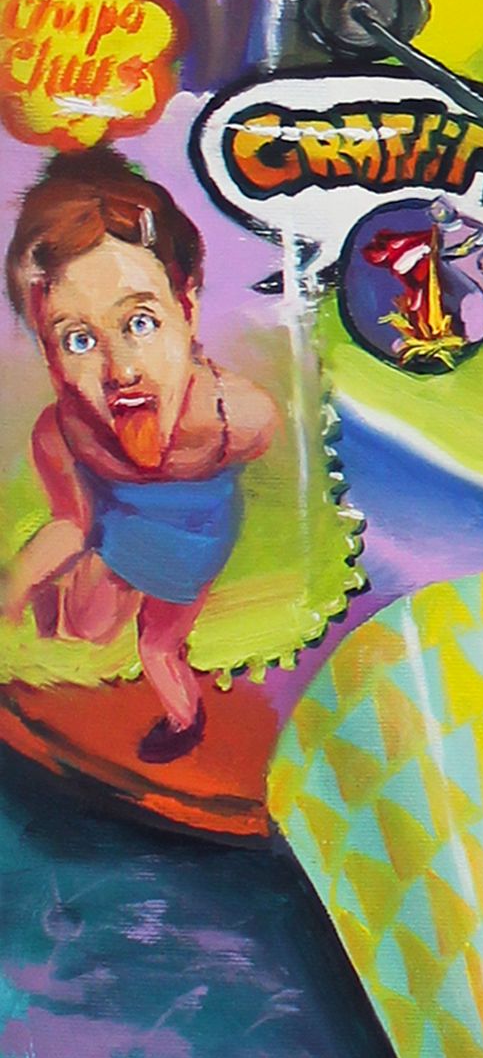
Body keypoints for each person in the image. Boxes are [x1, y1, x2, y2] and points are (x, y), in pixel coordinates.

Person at [1, 151, 279, 761]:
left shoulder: (239, 415)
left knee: (158, 647)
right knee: (83, 627)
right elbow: (70, 522)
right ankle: (57, 621)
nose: (120, 370)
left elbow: (263, 449)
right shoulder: (64, 433)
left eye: (141, 323)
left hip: (192, 551)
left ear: (187, 309)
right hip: (118, 534)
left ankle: (184, 725)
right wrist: (16, 588)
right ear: (50, 354)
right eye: (78, 339)